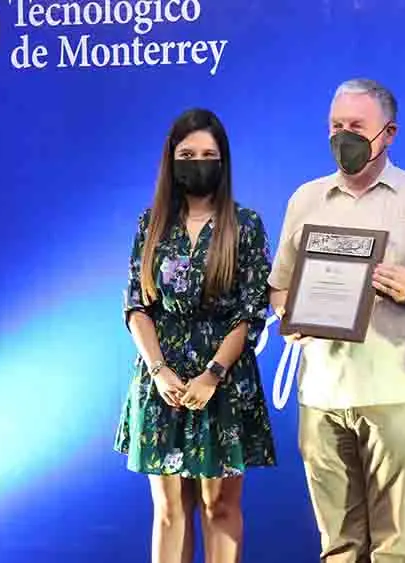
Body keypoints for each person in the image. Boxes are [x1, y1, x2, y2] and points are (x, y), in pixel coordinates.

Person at [268, 78, 405, 563]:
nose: (343, 136)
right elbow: (279, 287)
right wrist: (289, 315)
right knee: (338, 545)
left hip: (397, 392)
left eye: (356, 126)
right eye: (336, 126)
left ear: (390, 133)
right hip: (321, 395)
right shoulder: (306, 199)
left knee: (397, 545)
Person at [115, 108, 277, 563]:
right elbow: (136, 306)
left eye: (208, 154)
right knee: (168, 510)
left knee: (219, 505)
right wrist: (159, 370)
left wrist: (212, 375)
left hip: (223, 381)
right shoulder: (151, 224)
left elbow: (250, 312)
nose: (198, 162)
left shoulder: (245, 225)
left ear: (224, 161)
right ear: (171, 160)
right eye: (187, 154)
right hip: (160, 380)